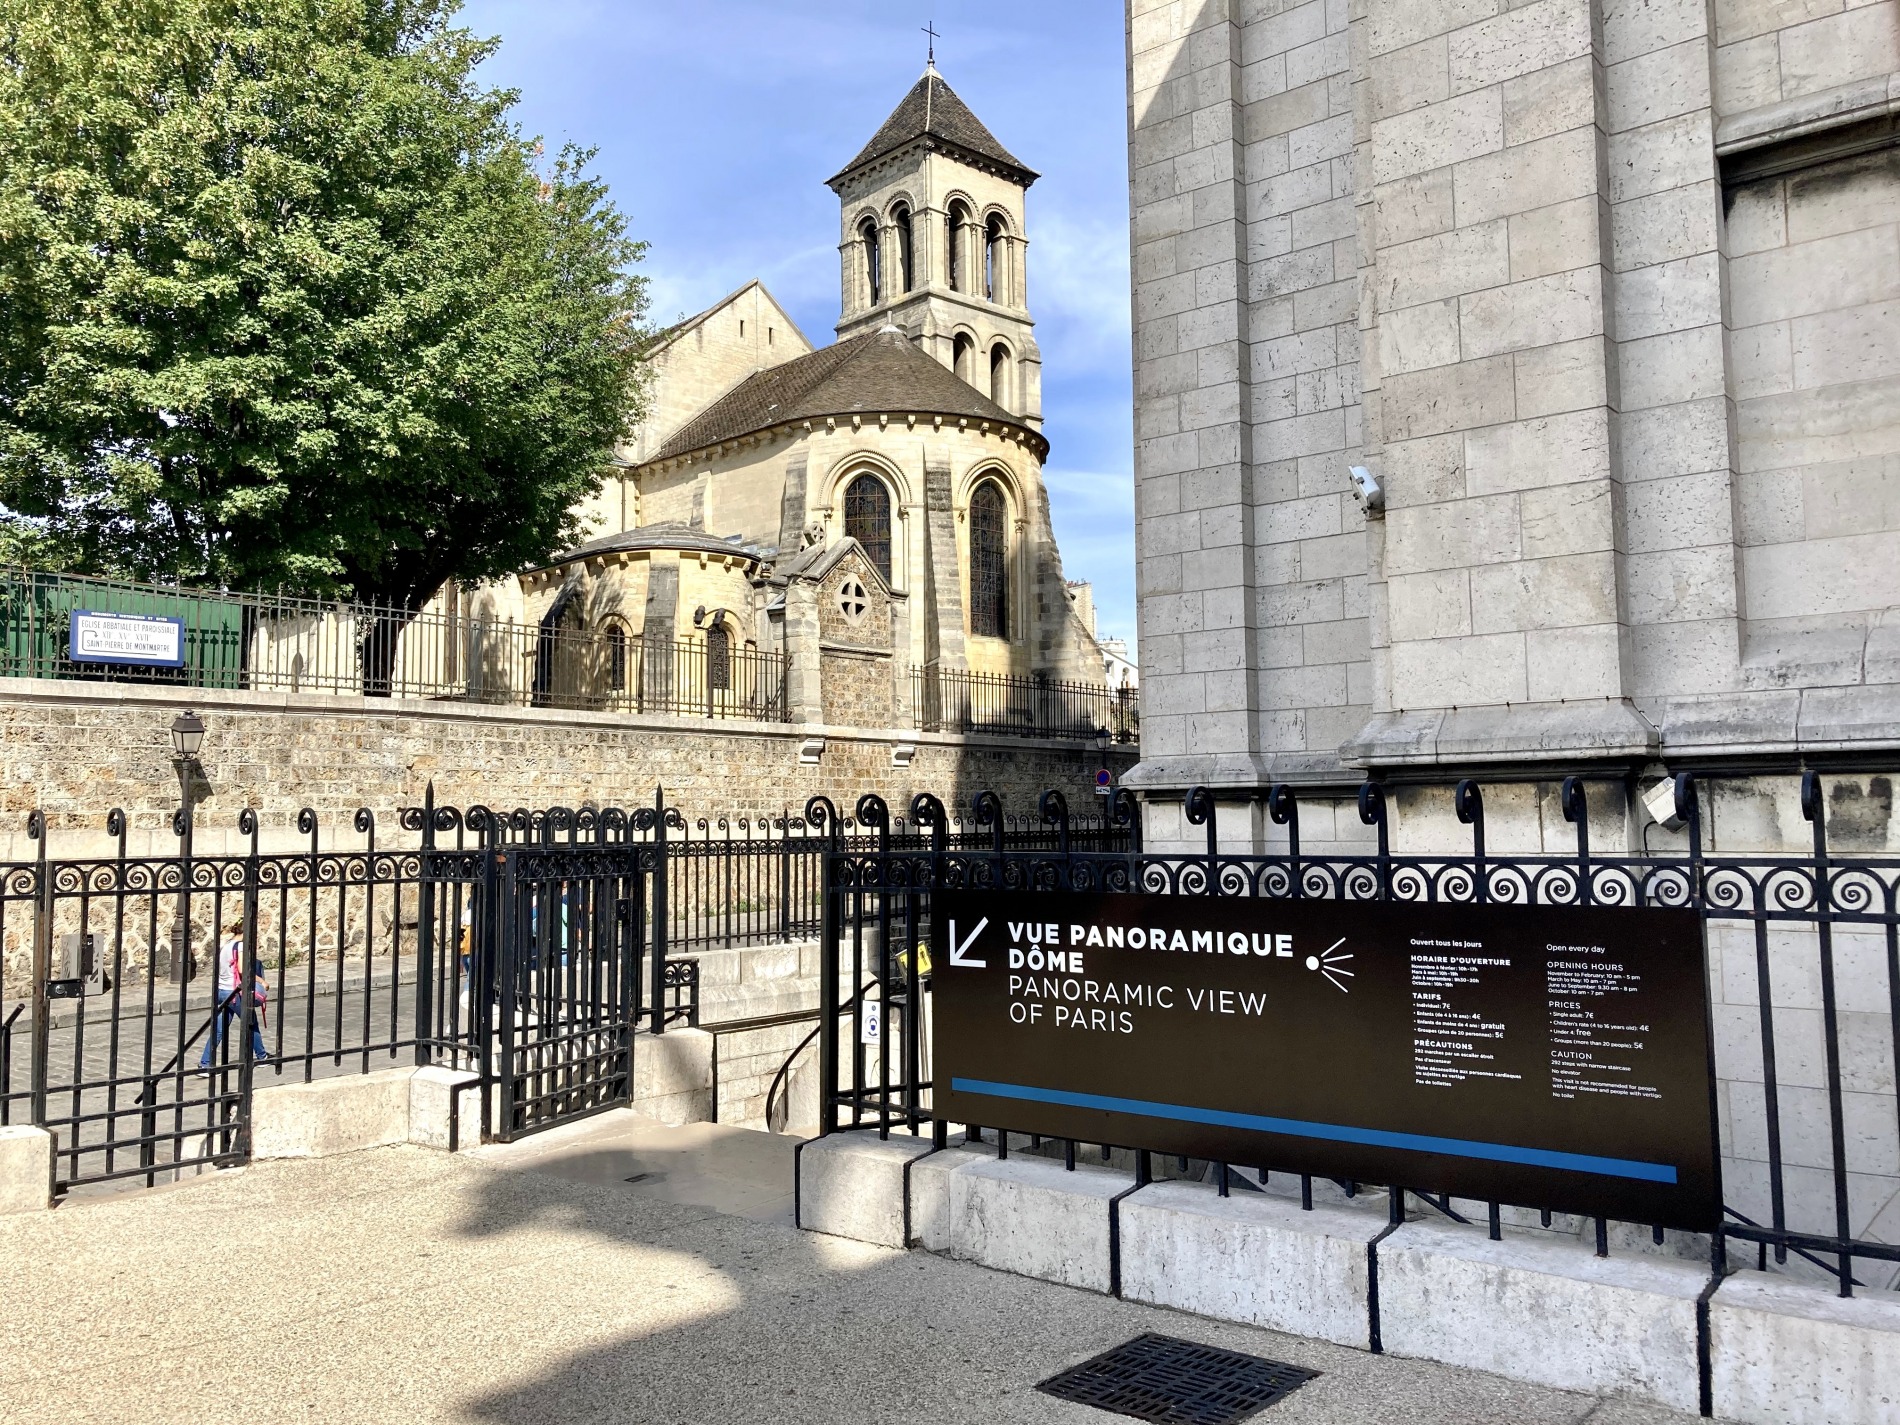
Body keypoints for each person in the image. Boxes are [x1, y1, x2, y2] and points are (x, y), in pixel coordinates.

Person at [199, 916, 270, 1068]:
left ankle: (205, 1064)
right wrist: (262, 981)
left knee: (218, 1029)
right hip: (234, 993)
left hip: (222, 991)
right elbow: (242, 970)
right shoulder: (241, 945)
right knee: (251, 1022)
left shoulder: (226, 945)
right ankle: (262, 1056)